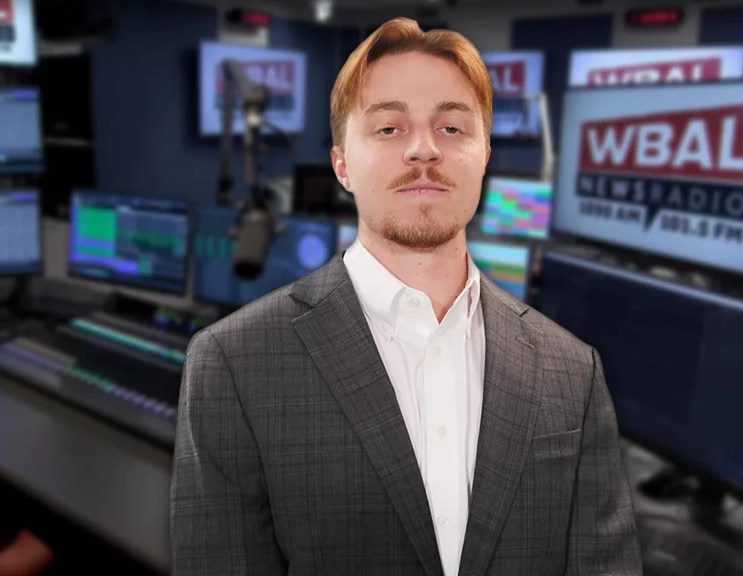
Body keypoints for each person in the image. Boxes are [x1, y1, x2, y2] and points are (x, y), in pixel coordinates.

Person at [171, 17, 642, 576]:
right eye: (389, 129)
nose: (423, 149)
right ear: (342, 163)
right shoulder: (233, 362)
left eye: (452, 128)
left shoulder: (572, 369)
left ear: (484, 153)